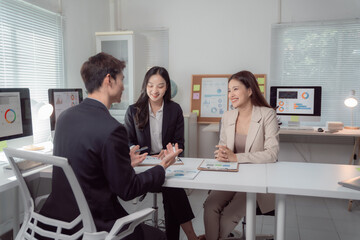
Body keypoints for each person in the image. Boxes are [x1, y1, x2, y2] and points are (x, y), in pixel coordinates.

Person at [40, 53, 183, 240]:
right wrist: (161, 167)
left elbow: (87, 167)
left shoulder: (64, 118)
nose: (124, 86)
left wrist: (122, 162)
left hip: (58, 222)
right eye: (122, 80)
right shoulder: (112, 129)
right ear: (109, 80)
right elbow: (128, 190)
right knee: (159, 237)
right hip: (95, 225)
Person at [202, 70, 279, 240]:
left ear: (250, 90)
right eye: (229, 90)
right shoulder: (228, 116)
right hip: (231, 177)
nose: (231, 94)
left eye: (235, 89)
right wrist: (222, 155)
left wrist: (236, 157)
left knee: (229, 215)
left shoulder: (267, 114)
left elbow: (272, 154)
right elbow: (224, 149)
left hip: (255, 180)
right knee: (210, 205)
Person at [124, 66, 198, 240]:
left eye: (160, 86)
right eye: (150, 85)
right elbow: (127, 142)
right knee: (173, 188)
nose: (154, 90)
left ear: (166, 88)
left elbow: (180, 142)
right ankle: (190, 236)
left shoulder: (175, 110)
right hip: (144, 166)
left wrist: (169, 151)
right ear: (145, 86)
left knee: (171, 186)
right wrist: (136, 152)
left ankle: (178, 237)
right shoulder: (133, 110)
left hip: (167, 163)